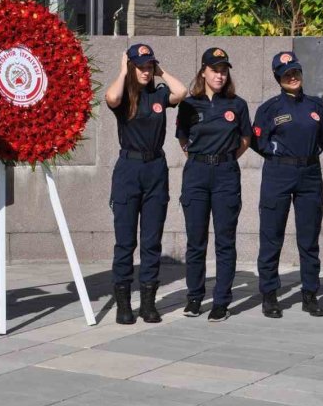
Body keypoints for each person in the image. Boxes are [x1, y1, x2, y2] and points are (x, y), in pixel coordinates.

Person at [104, 43, 188, 324]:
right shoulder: (126, 97)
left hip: (155, 169)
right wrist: (122, 71)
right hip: (129, 169)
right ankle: (124, 303)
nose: (145, 71)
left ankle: (148, 303)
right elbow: (111, 97)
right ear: (131, 67)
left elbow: (182, 92)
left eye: (148, 66)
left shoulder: (159, 94)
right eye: (140, 66)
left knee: (151, 241)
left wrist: (162, 71)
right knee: (125, 242)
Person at [251, 52, 323, 319]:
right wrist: (279, 156)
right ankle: (270, 295)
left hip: (309, 173)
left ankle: (310, 294)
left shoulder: (316, 106)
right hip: (279, 173)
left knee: (309, 238)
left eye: (295, 71)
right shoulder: (269, 109)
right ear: (278, 78)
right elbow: (257, 141)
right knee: (272, 237)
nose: (292, 77)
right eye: (286, 74)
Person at [176, 48, 251, 322]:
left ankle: (221, 301)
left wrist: (223, 159)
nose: (220, 75)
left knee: (225, 240)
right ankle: (194, 298)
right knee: (196, 241)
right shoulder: (189, 104)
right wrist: (202, 159)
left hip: (225, 173)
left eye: (224, 70)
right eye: (215, 70)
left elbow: (245, 140)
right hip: (196, 173)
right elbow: (183, 140)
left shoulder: (237, 104)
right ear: (203, 71)